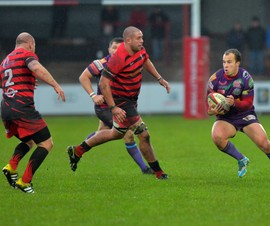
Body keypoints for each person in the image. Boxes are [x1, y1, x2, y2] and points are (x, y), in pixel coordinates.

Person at [67, 26, 170, 180]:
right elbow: (103, 83)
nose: (142, 41)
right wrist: (113, 107)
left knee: (115, 134)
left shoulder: (140, 50)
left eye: (142, 37)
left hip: (131, 100)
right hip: (122, 102)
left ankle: (78, 151)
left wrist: (159, 78)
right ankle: (158, 173)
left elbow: (145, 60)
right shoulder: (117, 59)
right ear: (128, 40)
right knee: (143, 134)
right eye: (138, 38)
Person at [207, 48, 270, 180]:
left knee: (264, 144)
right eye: (224, 62)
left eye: (229, 62)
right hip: (226, 117)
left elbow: (248, 103)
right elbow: (208, 105)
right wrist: (212, 111)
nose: (226, 65)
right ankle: (241, 159)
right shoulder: (215, 79)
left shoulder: (245, 78)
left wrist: (234, 103)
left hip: (245, 115)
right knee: (217, 137)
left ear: (238, 63)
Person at [1, 32, 66, 193]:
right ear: (30, 44)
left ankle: (11, 166)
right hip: (22, 108)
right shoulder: (27, 54)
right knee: (46, 143)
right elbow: (36, 67)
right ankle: (25, 181)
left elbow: (6, 82)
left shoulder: (5, 61)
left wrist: (24, 81)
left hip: (6, 108)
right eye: (34, 46)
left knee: (29, 141)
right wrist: (55, 85)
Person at [78, 37, 153, 175]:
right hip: (106, 108)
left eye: (120, 48)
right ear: (109, 49)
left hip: (121, 106)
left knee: (102, 132)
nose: (117, 51)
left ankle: (76, 151)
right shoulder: (101, 64)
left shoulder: (127, 62)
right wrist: (93, 95)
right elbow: (83, 77)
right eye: (114, 48)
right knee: (128, 133)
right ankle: (145, 169)